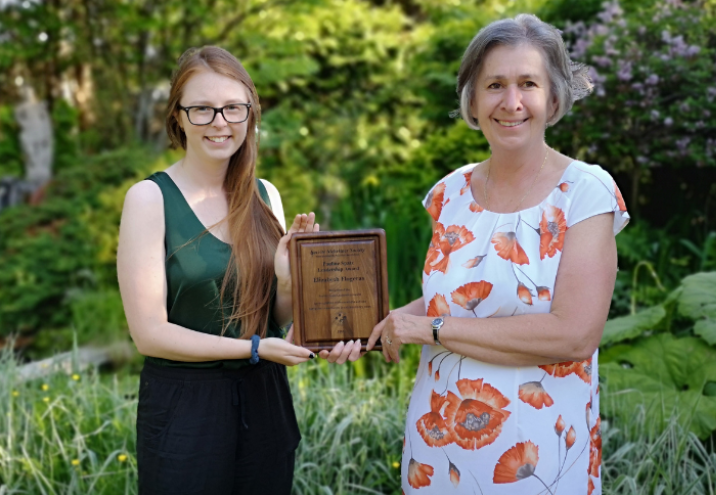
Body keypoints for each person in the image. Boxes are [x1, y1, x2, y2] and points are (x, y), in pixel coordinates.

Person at [367, 14, 628, 495]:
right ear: (472, 98)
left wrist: (429, 329)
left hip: (536, 462)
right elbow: (453, 303)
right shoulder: (448, 194)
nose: (511, 103)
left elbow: (574, 334)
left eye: (528, 83)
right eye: (494, 85)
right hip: (437, 452)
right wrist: (372, 324)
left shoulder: (585, 192)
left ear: (553, 98)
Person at [117, 46, 358, 495]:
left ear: (250, 115)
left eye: (232, 108)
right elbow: (148, 333)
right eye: (202, 109)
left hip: (265, 401)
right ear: (179, 117)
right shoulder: (149, 199)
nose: (220, 122)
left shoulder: (267, 195)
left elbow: (277, 320)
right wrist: (253, 349)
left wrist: (287, 281)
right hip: (184, 409)